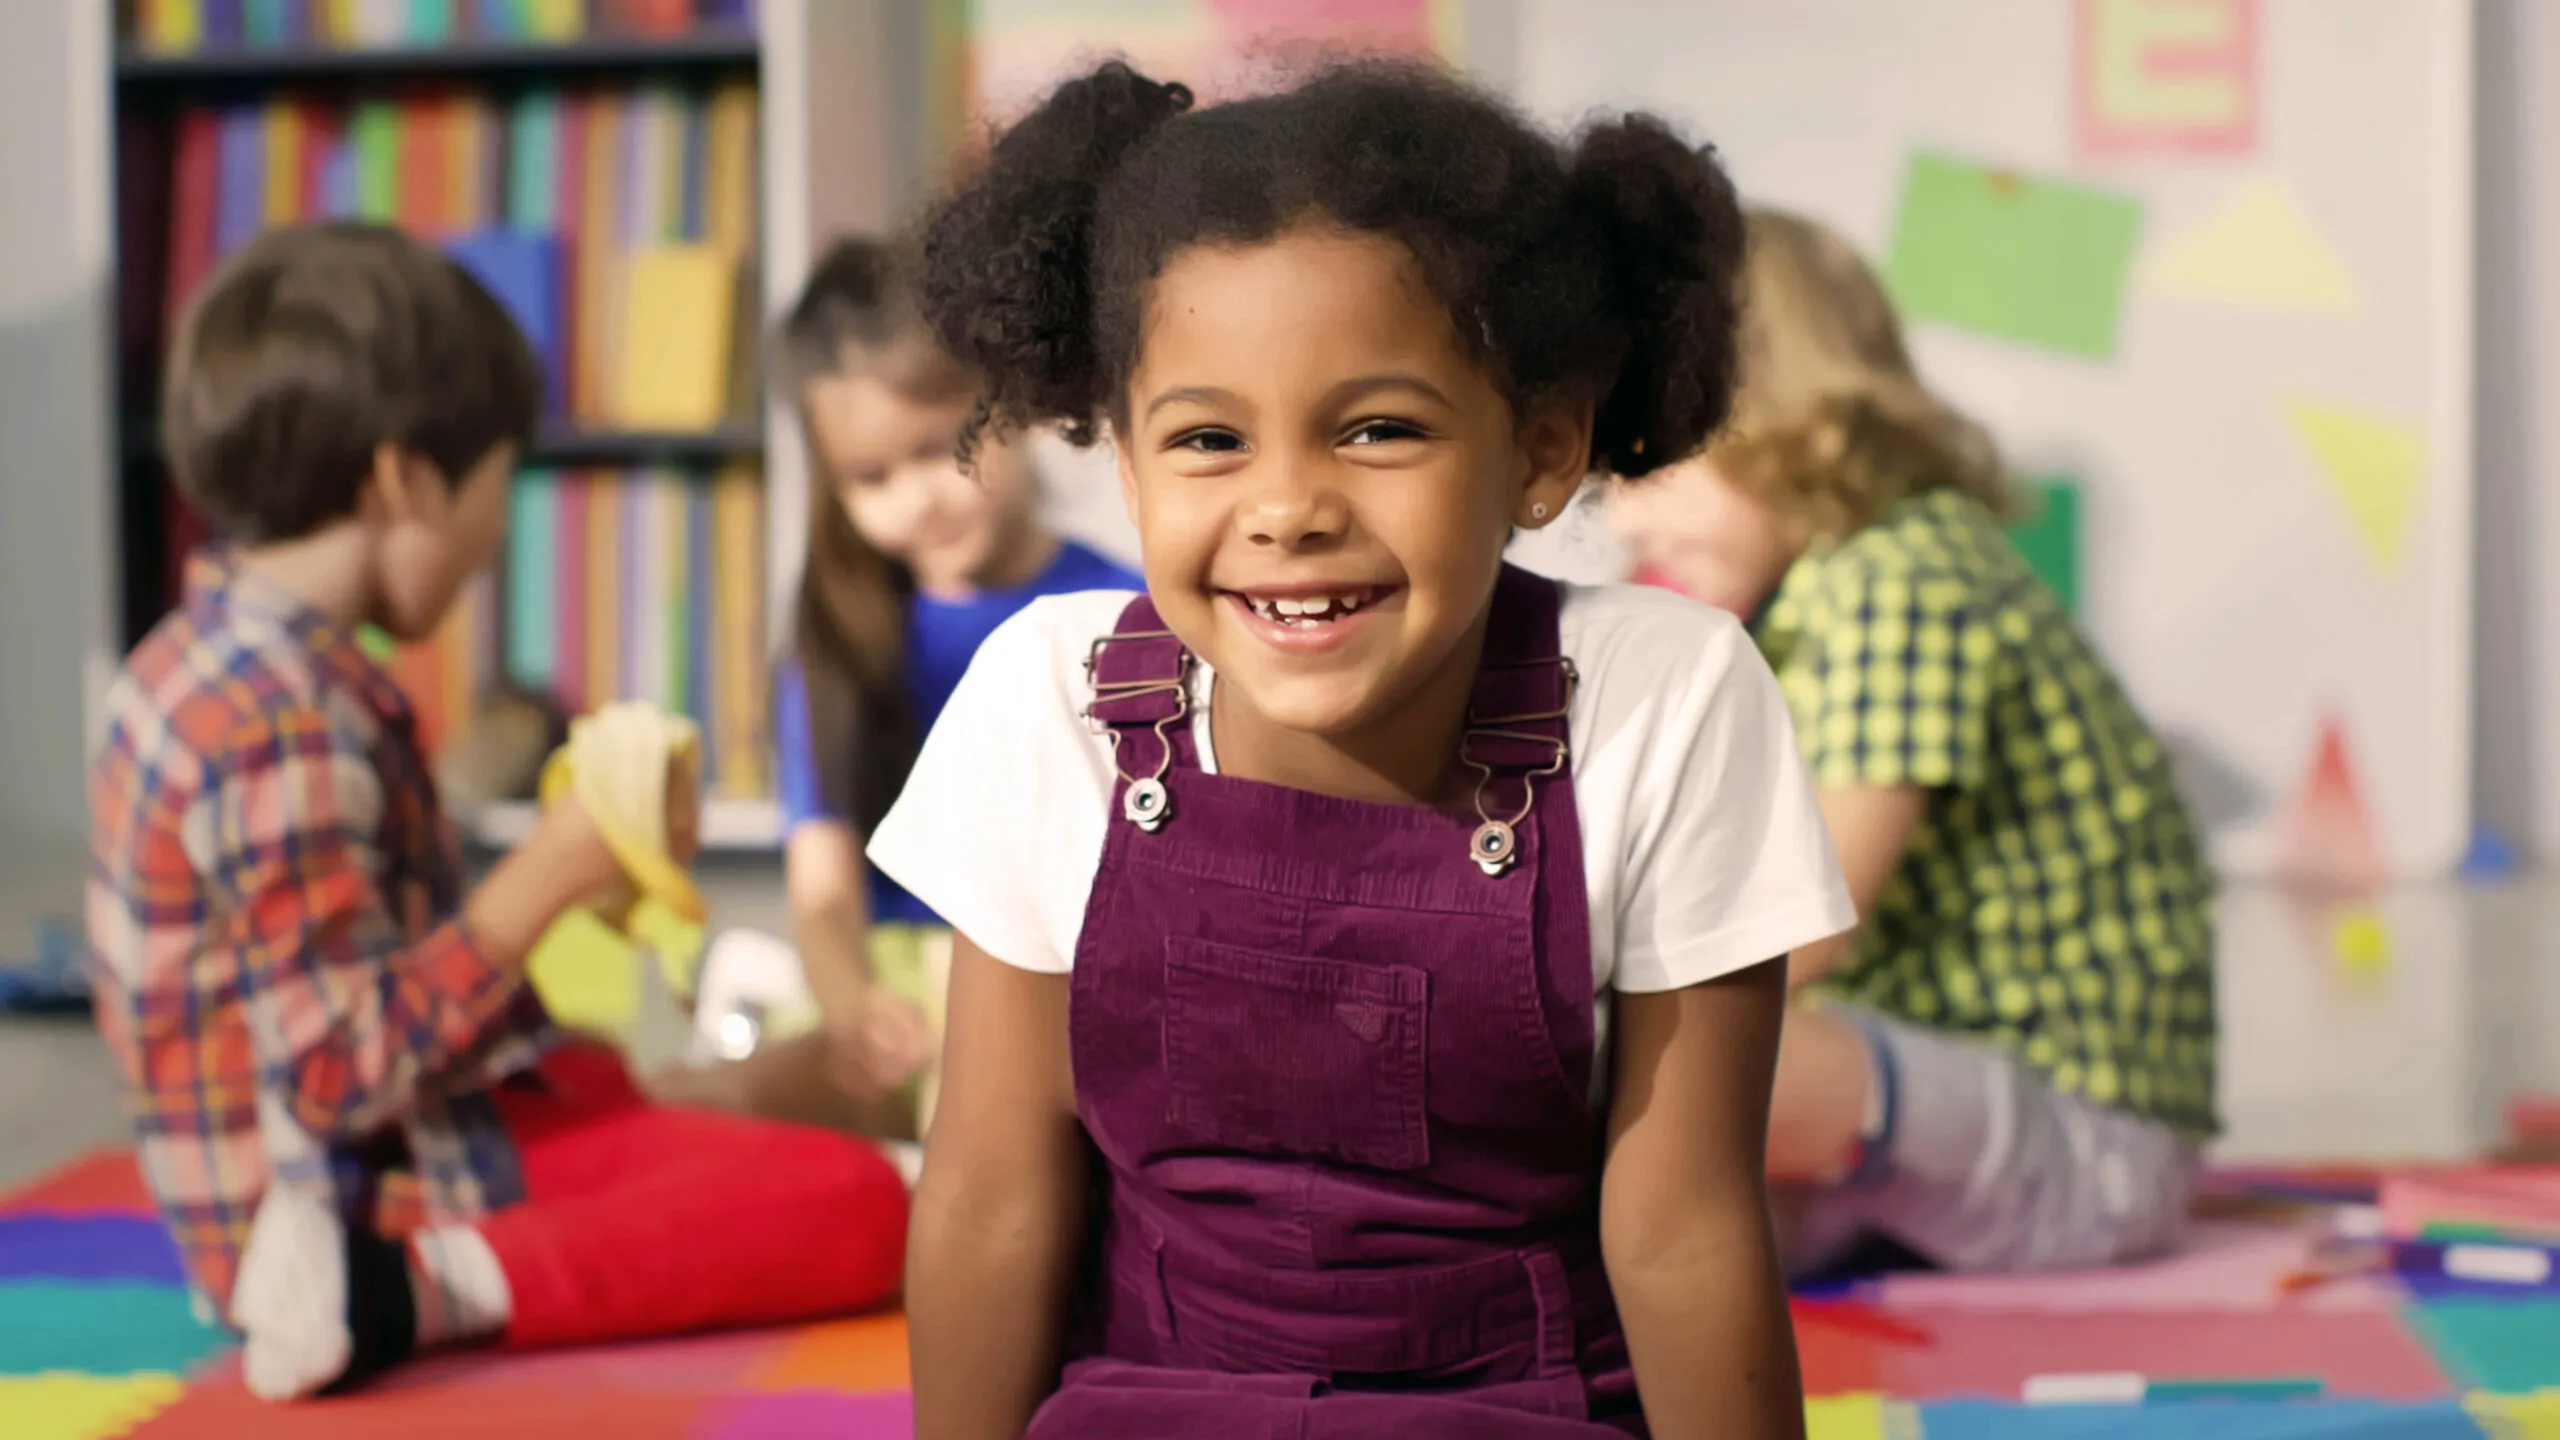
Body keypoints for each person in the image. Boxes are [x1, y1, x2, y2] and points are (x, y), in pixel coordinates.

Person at [875, 61, 1859, 1439]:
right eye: (1209, 439)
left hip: (1529, 1411)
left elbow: (1686, 1225)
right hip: (1149, 1409)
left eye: (1378, 429)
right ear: (1130, 465)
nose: (1286, 508)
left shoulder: (1663, 698)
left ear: (1543, 448)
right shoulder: (1054, 698)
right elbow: (990, 1192)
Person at [84, 222, 908, 1403]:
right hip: (338, 1213)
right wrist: (557, 867)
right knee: (857, 1203)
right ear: (404, 480)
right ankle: (404, 1291)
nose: (491, 543)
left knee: (651, 1091)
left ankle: (651, 1130)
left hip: (376, 1155)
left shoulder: (198, 663)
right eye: (493, 490)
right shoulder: (284, 721)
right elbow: (335, 1072)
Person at [1607, 208, 2218, 1277]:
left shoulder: (1901, 583)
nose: (1622, 521)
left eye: (1647, 469)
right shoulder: (1813, 594)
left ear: (1773, 419)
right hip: (1938, 1114)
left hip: (2086, 1143)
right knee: (1636, 1218)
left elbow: (1803, 927)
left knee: (1662, 1064)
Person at [648, 237, 1140, 1139]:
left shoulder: (1124, 613)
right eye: (870, 477)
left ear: (1013, 403)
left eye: (939, 448)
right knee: (699, 1105)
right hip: (895, 999)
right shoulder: (839, 644)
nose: (914, 496)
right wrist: (851, 1000)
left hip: (1066, 986)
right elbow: (824, 888)